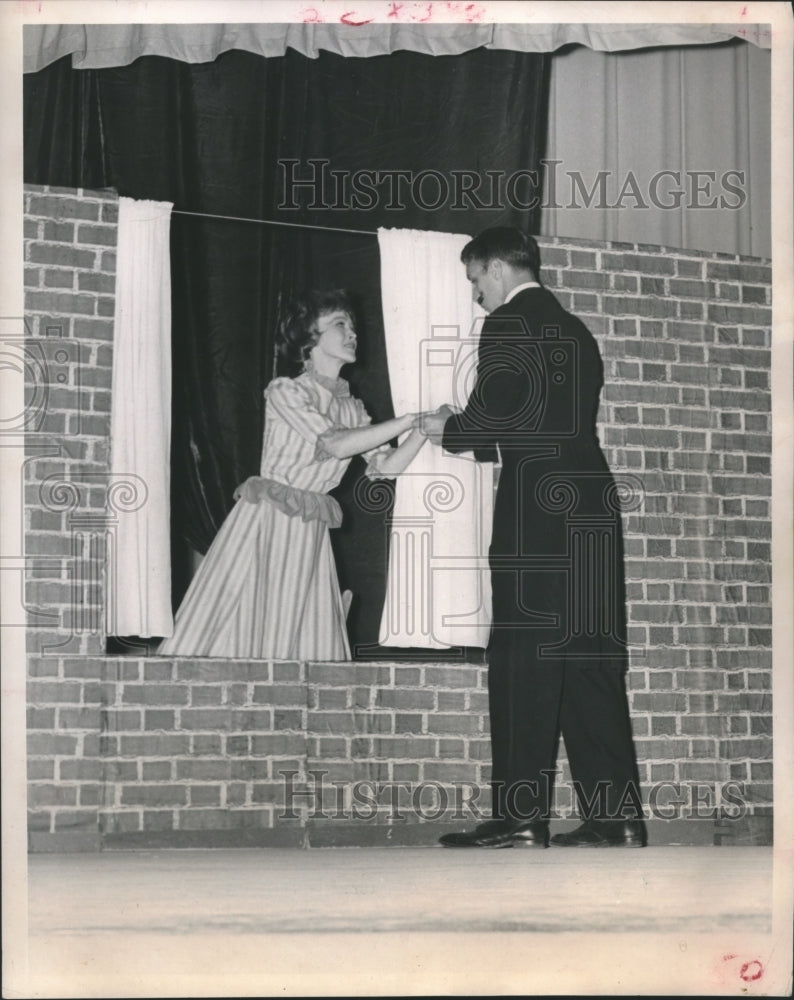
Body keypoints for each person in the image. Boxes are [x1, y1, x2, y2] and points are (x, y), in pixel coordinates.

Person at [422, 227, 646, 848]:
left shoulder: (507, 326)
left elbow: (491, 418)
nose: (476, 297)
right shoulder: (576, 331)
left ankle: (520, 816)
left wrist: (447, 427)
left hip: (539, 512)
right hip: (593, 508)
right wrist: (474, 434)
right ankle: (616, 819)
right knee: (589, 662)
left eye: (475, 281)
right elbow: (540, 421)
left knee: (523, 660)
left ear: (496, 270)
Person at [159, 289, 431, 661]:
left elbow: (386, 467)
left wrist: (424, 430)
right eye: (340, 324)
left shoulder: (353, 410)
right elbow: (333, 444)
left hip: (309, 533)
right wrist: (407, 420)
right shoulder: (287, 390)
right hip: (266, 522)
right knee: (239, 626)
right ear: (310, 336)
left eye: (352, 326)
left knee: (302, 639)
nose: (353, 333)